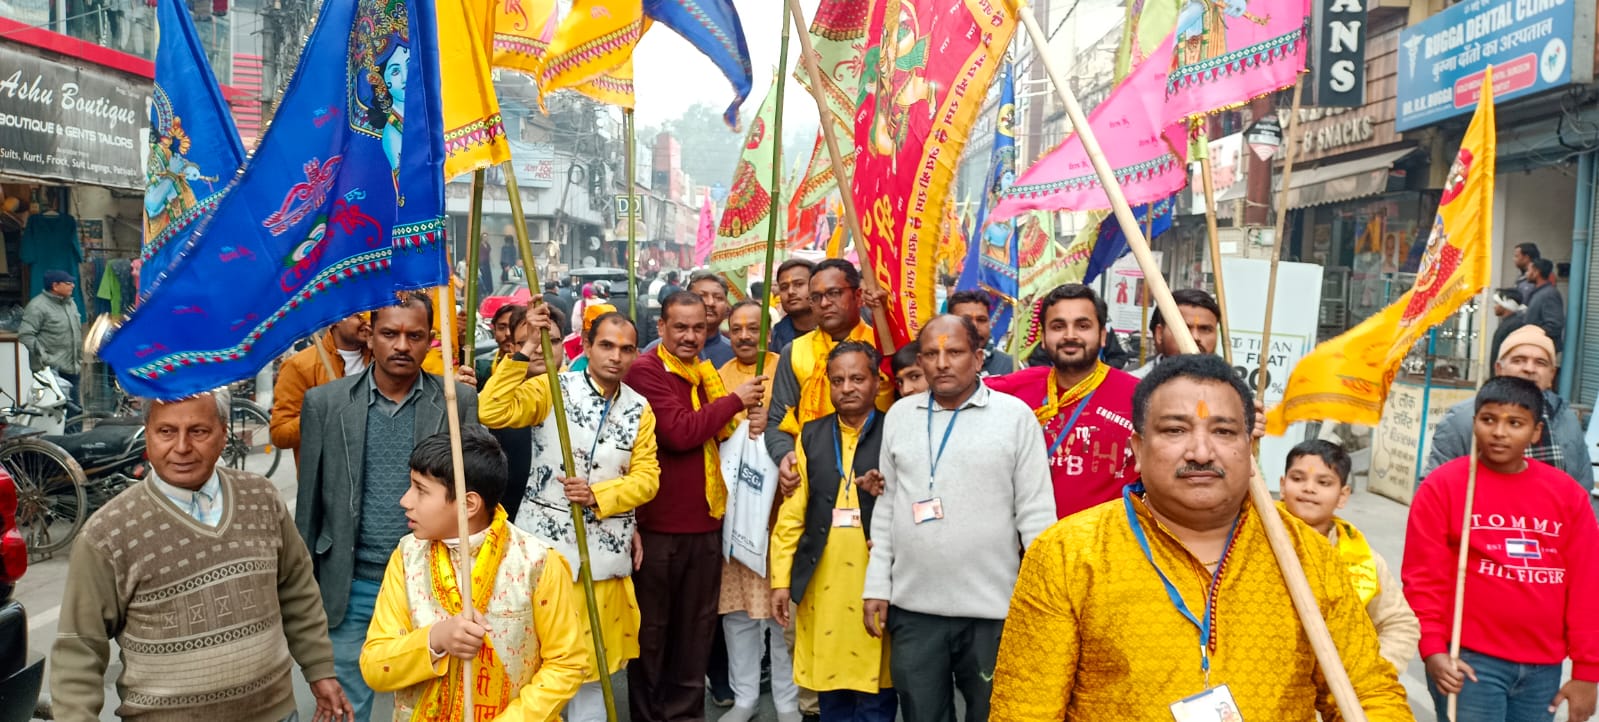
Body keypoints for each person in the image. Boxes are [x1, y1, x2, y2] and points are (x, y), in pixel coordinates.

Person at [990, 354, 1412, 720]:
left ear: (1250, 447)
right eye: (1175, 430)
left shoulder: (1308, 557)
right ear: (1137, 448)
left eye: (1224, 432)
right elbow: (1025, 710)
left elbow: (1368, 692)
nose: (1201, 452)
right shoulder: (1067, 554)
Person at [51, 390, 353, 721]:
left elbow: (297, 590)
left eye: (198, 431)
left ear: (224, 433)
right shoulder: (107, 533)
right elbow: (79, 648)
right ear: (147, 433)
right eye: (166, 431)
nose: (181, 447)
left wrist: (319, 669)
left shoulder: (261, 497)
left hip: (275, 713)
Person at [295, 292, 481, 722]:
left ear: (430, 340)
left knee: (430, 702)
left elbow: (473, 499)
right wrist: (302, 596)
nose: (401, 345)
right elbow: (309, 508)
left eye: (414, 335)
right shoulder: (326, 404)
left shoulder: (457, 403)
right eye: (389, 333)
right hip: (350, 582)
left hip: (431, 582)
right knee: (342, 705)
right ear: (370, 336)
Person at [863, 315, 1055, 722]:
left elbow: (1037, 517)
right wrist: (876, 585)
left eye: (955, 352)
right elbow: (888, 505)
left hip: (994, 613)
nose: (942, 363)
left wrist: (1043, 604)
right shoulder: (899, 416)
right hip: (914, 611)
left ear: (979, 357)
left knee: (996, 714)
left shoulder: (1015, 417)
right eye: (931, 354)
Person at [480, 308, 660, 721]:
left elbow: (648, 479)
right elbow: (492, 410)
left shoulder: (640, 408)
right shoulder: (553, 389)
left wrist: (599, 494)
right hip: (546, 557)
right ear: (588, 344)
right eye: (606, 346)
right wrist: (525, 348)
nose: (615, 356)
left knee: (591, 674)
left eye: (626, 349)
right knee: (536, 669)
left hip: (602, 564)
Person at [1403, 376, 1599, 722]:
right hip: (1470, 662)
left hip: (1544, 668)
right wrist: (1432, 648)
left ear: (1536, 432)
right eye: (1488, 419)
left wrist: (1587, 670)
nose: (1499, 432)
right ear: (1474, 421)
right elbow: (1422, 579)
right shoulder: (1444, 486)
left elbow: (1587, 586)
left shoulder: (1567, 495)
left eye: (1515, 423)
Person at [359, 428, 590, 720]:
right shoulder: (407, 557)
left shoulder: (538, 563)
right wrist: (435, 640)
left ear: (469, 504)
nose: (406, 500)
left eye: (421, 490)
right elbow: (375, 666)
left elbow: (566, 664)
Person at [623, 291, 766, 722]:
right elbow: (680, 433)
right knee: (652, 636)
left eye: (698, 328)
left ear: (709, 329)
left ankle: (686, 716)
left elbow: (727, 432)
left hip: (706, 524)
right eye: (679, 327)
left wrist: (748, 419)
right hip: (659, 527)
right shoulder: (647, 370)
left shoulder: (703, 370)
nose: (689, 336)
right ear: (661, 328)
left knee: (695, 634)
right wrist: (735, 401)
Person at [771, 341, 896, 722]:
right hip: (823, 582)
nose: (847, 388)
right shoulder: (811, 434)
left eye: (858, 378)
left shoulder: (894, 431)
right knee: (831, 693)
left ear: (877, 383)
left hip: (877, 581)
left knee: (876, 694)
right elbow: (792, 515)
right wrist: (780, 580)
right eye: (838, 380)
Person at [986, 284, 1141, 519]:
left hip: (1105, 547)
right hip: (1028, 544)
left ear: (1101, 336)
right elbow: (955, 391)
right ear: (1044, 338)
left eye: (1083, 325)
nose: (1070, 335)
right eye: (1058, 326)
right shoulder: (1013, 389)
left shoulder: (1140, 397)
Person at [714, 300, 796, 722]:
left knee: (782, 619)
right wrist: (736, 421)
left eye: (753, 328)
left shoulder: (787, 366)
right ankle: (745, 696)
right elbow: (710, 428)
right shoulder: (719, 376)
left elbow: (808, 419)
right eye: (737, 329)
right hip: (736, 513)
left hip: (780, 512)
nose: (744, 336)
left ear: (767, 330)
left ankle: (787, 702)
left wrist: (777, 421)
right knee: (739, 616)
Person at [1279, 439, 1419, 673]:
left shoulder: (1364, 560)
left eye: (1323, 482)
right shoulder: (1252, 536)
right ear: (1282, 486)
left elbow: (1400, 624)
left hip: (1335, 695)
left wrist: (1370, 677)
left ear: (1343, 495)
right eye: (1298, 479)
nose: (1309, 488)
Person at [767, 259, 892, 492]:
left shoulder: (883, 346)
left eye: (834, 293)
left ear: (858, 296)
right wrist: (785, 455)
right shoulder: (794, 352)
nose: (825, 303)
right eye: (816, 297)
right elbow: (777, 420)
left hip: (874, 475)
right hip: (811, 475)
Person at [1424, 326, 1593, 491]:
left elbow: (1583, 489)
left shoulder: (1565, 418)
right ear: (1499, 369)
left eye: (1540, 363)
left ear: (1551, 376)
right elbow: (1433, 491)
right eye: (1518, 360)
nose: (1529, 369)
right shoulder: (1461, 419)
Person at [271, 313, 372, 461]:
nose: (367, 322)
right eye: (360, 315)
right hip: (327, 477)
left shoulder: (381, 357)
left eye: (371, 313)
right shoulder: (300, 366)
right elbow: (280, 435)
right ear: (335, 318)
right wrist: (322, 413)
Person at [477, 304, 534, 523]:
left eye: (549, 341)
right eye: (526, 343)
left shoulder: (576, 392)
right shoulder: (500, 389)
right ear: (512, 348)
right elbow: (488, 410)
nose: (537, 348)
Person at [1125, 288, 1221, 379]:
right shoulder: (1130, 385)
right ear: (1160, 334)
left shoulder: (1230, 389)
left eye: (1205, 329)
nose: (1195, 337)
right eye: (1183, 329)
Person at [19, 269, 82, 393]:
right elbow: (25, 334)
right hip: (50, 370)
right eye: (68, 283)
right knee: (54, 410)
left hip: (72, 367)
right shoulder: (38, 306)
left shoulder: (70, 303)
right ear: (55, 286)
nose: (72, 285)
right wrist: (44, 357)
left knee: (74, 410)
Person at [946, 291, 1016, 376]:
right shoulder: (935, 365)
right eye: (966, 320)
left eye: (981, 320)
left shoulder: (1011, 367)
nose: (975, 327)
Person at [688, 271, 737, 366]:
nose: (710, 303)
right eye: (702, 296)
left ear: (727, 307)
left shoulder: (735, 354)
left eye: (718, 298)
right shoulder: (661, 350)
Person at [770, 259, 818, 352]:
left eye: (799, 284)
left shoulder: (837, 331)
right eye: (784, 287)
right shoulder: (773, 340)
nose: (790, 292)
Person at [1523, 257, 1565, 347]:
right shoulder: (1537, 292)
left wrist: (1532, 334)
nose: (1526, 274)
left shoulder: (1549, 294)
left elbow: (1554, 325)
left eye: (1528, 270)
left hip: (1542, 347)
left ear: (1536, 272)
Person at [1487, 287, 1527, 364]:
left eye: (1497, 303)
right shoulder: (1508, 323)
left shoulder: (1515, 325)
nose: (1494, 306)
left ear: (1506, 304)